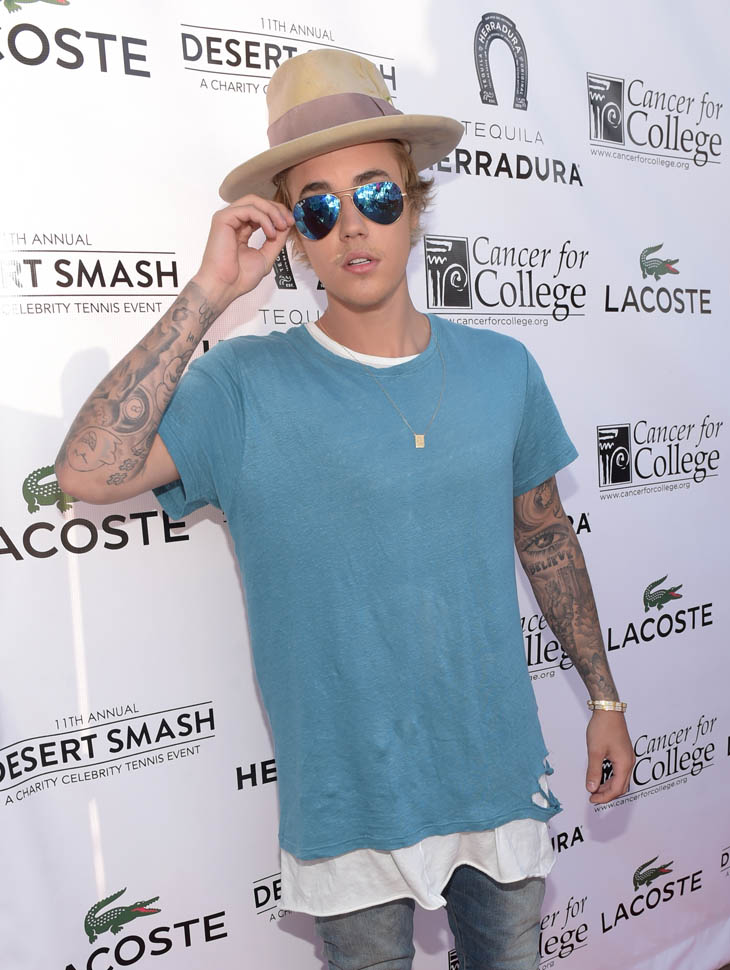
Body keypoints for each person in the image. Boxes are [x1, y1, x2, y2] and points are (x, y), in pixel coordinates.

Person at [56, 48, 635, 970]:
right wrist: (209, 294)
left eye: (375, 195)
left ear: (415, 202)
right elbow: (87, 472)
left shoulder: (503, 369)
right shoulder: (242, 385)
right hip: (346, 803)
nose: (352, 227)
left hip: (495, 777)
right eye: (319, 209)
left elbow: (544, 535)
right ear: (293, 234)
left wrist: (604, 696)